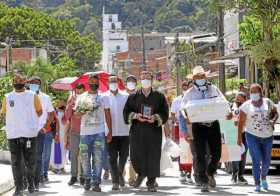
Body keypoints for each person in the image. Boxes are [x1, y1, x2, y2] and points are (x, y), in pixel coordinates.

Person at [182, 66, 228, 192]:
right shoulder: (189, 93)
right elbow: (183, 109)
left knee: (217, 154)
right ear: (193, 79)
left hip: (213, 125)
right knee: (200, 154)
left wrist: (227, 112)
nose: (200, 79)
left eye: (202, 76)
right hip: (198, 126)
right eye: (197, 77)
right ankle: (203, 181)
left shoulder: (214, 89)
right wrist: (186, 118)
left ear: (205, 77)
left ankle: (210, 172)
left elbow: (223, 102)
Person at [123, 71, 169, 192]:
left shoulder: (159, 96)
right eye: (143, 78)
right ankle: (141, 174)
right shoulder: (132, 97)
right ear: (140, 80)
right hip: (137, 131)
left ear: (152, 80)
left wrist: (155, 117)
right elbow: (126, 112)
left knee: (153, 156)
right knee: (136, 155)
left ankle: (151, 182)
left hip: (153, 131)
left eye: (148, 78)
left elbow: (165, 113)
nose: (145, 80)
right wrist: (135, 116)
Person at [1, 73, 42, 195]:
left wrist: (28, 122)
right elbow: (3, 113)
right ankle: (18, 187)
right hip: (13, 134)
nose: (18, 82)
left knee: (31, 161)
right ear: (13, 83)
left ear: (25, 82)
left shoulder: (33, 96)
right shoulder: (7, 97)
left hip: (29, 134)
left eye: (20, 80)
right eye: (16, 80)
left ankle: (31, 184)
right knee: (16, 162)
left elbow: (39, 112)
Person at [75, 74, 112, 192]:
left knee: (98, 158)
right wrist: (84, 109)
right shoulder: (81, 97)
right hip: (85, 133)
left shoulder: (103, 97)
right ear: (88, 82)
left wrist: (109, 131)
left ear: (98, 83)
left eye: (95, 82)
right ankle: (87, 179)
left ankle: (96, 182)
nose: (93, 84)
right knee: (84, 158)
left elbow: (107, 114)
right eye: (91, 81)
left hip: (99, 132)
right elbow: (76, 114)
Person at [238, 84, 278, 192]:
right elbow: (241, 123)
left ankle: (263, 177)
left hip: (268, 136)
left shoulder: (268, 102)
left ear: (260, 92)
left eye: (256, 91)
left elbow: (275, 114)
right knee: (256, 159)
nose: (254, 93)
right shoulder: (246, 106)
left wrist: (272, 121)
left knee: (266, 161)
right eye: (251, 91)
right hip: (252, 135)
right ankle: (257, 183)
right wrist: (239, 138)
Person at [29, 76, 56, 190]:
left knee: (38, 156)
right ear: (29, 84)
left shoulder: (45, 97)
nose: (35, 84)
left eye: (37, 83)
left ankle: (37, 179)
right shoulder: (24, 96)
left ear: (40, 85)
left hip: (40, 132)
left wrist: (45, 127)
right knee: (28, 156)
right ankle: (28, 178)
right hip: (26, 132)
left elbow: (50, 113)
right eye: (32, 83)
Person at [106, 75, 130, 190]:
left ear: (118, 82)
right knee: (112, 158)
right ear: (107, 83)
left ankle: (120, 173)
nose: (113, 83)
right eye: (111, 81)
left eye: (115, 81)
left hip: (125, 131)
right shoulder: (104, 97)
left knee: (124, 156)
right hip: (110, 133)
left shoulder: (126, 96)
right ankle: (115, 181)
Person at [171, 80, 193, 184]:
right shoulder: (177, 100)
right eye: (184, 85)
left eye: (187, 86)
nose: (185, 87)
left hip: (192, 128)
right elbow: (173, 114)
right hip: (179, 128)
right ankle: (182, 171)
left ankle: (189, 172)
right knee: (182, 150)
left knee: (190, 151)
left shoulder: (194, 99)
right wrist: (177, 122)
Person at [64, 83, 85, 186]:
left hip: (85, 132)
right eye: (77, 89)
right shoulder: (71, 100)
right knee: (73, 155)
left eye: (81, 89)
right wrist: (70, 104)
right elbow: (67, 116)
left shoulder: (87, 100)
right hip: (74, 131)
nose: (79, 91)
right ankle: (73, 176)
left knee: (83, 155)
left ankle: (83, 176)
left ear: (84, 90)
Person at [230, 92, 248, 184]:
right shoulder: (231, 107)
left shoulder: (248, 107)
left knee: (243, 155)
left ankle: (241, 175)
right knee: (235, 155)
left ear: (244, 99)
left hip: (245, 134)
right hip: (233, 134)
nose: (237, 100)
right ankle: (234, 175)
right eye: (236, 98)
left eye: (240, 98)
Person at [125, 75, 138, 186]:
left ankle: (132, 178)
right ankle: (123, 174)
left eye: (133, 81)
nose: (131, 83)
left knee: (134, 154)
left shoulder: (140, 96)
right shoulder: (122, 96)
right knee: (124, 154)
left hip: (137, 129)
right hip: (123, 129)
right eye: (129, 81)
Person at [50, 100, 67, 173]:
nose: (61, 103)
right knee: (55, 149)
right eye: (60, 101)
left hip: (64, 133)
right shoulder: (54, 111)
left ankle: (62, 166)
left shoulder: (66, 112)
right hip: (57, 133)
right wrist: (56, 133)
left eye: (63, 101)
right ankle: (54, 166)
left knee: (63, 149)